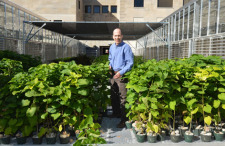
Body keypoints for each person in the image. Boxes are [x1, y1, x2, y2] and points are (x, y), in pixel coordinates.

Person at [108, 28, 134, 128]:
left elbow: (130, 63)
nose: (117, 37)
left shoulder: (126, 47)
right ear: (113, 36)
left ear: (122, 36)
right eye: (115, 36)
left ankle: (124, 120)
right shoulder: (112, 47)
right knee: (114, 95)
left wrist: (121, 72)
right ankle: (116, 113)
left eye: (119, 35)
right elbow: (110, 58)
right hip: (113, 75)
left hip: (122, 75)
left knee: (123, 97)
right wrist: (110, 65)